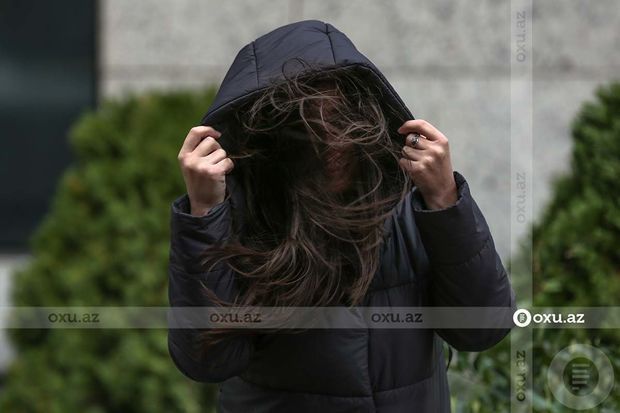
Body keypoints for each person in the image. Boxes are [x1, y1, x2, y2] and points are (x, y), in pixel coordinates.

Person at [168, 20, 516, 413]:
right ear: (273, 139)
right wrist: (203, 213)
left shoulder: (409, 205)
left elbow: (483, 328)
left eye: (340, 121)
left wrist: (445, 198)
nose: (331, 146)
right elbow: (208, 361)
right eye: (307, 130)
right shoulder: (243, 217)